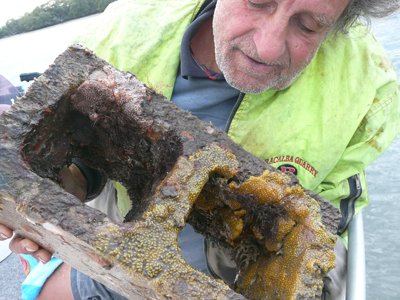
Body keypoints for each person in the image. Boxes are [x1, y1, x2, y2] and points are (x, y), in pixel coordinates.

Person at [1, 0, 400, 299]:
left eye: (309, 26)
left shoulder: (368, 88)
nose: (268, 47)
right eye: (257, 1)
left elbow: (334, 206)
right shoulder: (122, 34)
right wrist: (53, 199)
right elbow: (83, 162)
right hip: (120, 253)